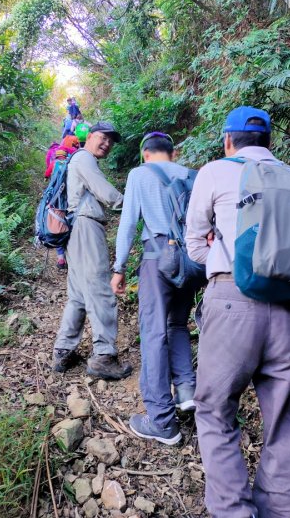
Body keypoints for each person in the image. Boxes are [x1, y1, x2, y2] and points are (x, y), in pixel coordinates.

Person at [185, 106, 290, 518]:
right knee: (286, 425)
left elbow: (194, 245)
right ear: (269, 142)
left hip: (232, 301)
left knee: (216, 411)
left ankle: (234, 513)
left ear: (227, 140)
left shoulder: (215, 172)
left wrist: (219, 253)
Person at [111, 133, 199, 446]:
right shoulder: (193, 175)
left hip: (158, 256)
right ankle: (187, 390)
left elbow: (129, 223)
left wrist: (119, 267)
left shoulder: (139, 174)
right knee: (177, 324)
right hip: (192, 260)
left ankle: (162, 421)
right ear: (173, 153)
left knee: (153, 332)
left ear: (145, 154)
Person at [53, 121, 132, 380]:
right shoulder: (84, 158)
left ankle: (63, 351)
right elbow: (107, 193)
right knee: (100, 290)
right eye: (103, 137)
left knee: (77, 294)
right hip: (86, 227)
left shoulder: (77, 159)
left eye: (111, 140)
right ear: (90, 136)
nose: (107, 143)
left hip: (75, 230)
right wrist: (133, 206)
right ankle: (104, 356)